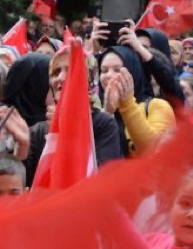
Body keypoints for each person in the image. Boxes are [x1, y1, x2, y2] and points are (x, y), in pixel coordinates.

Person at [24, 45, 122, 187]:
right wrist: (20, 148)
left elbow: (102, 180)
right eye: (56, 72)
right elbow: (25, 185)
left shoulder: (102, 124)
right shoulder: (38, 130)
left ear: (89, 81)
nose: (61, 78)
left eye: (71, 71)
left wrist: (67, 134)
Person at [97, 45, 176, 157]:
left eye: (117, 70)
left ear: (133, 72)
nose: (109, 75)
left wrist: (127, 104)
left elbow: (153, 150)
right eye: (104, 71)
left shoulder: (158, 106)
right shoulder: (97, 112)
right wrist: (107, 113)